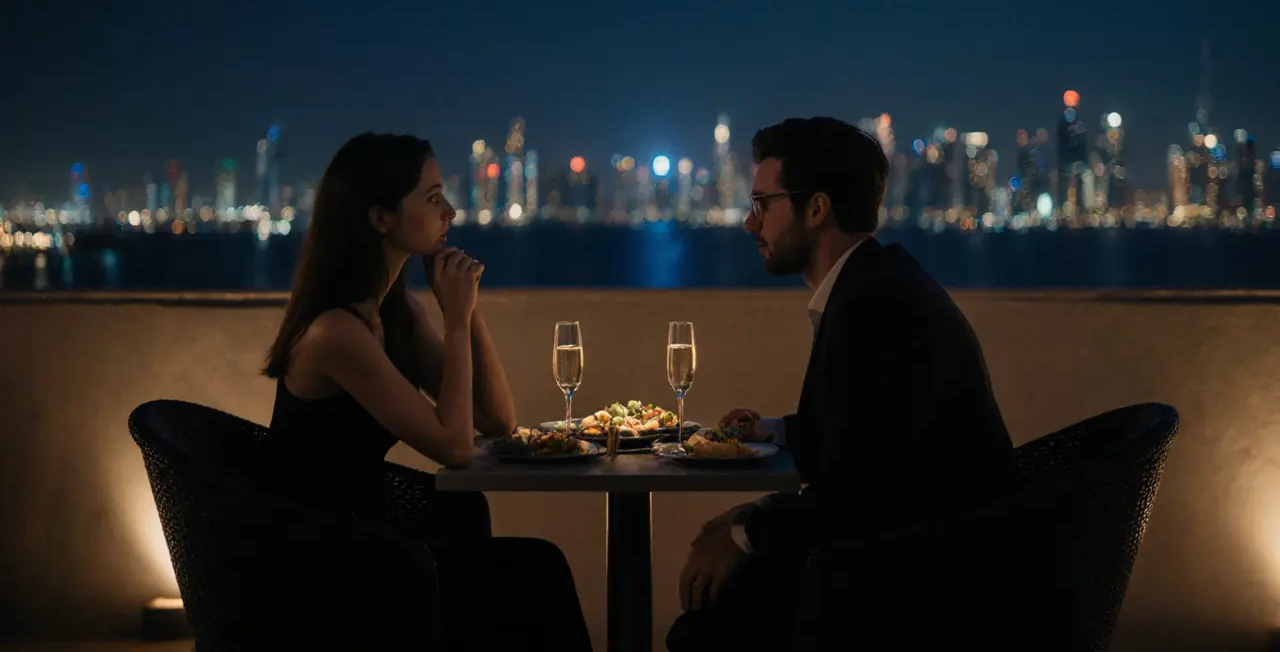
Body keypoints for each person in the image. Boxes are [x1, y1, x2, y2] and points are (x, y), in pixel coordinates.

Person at [668, 117, 1015, 651]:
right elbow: (870, 438)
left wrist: (745, 531)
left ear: (816, 209)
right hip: (924, 559)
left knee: (708, 623)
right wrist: (776, 431)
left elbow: (862, 493)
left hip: (927, 591)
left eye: (763, 203)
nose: (749, 222)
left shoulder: (878, 306)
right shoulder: (876, 284)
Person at [263, 132, 592, 651]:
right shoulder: (336, 333)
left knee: (512, 556)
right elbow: (455, 447)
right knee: (537, 571)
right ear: (380, 217)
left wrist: (468, 311)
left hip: (377, 542)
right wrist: (455, 319)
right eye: (433, 197)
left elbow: (496, 420)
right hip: (325, 565)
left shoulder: (395, 314)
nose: (451, 212)